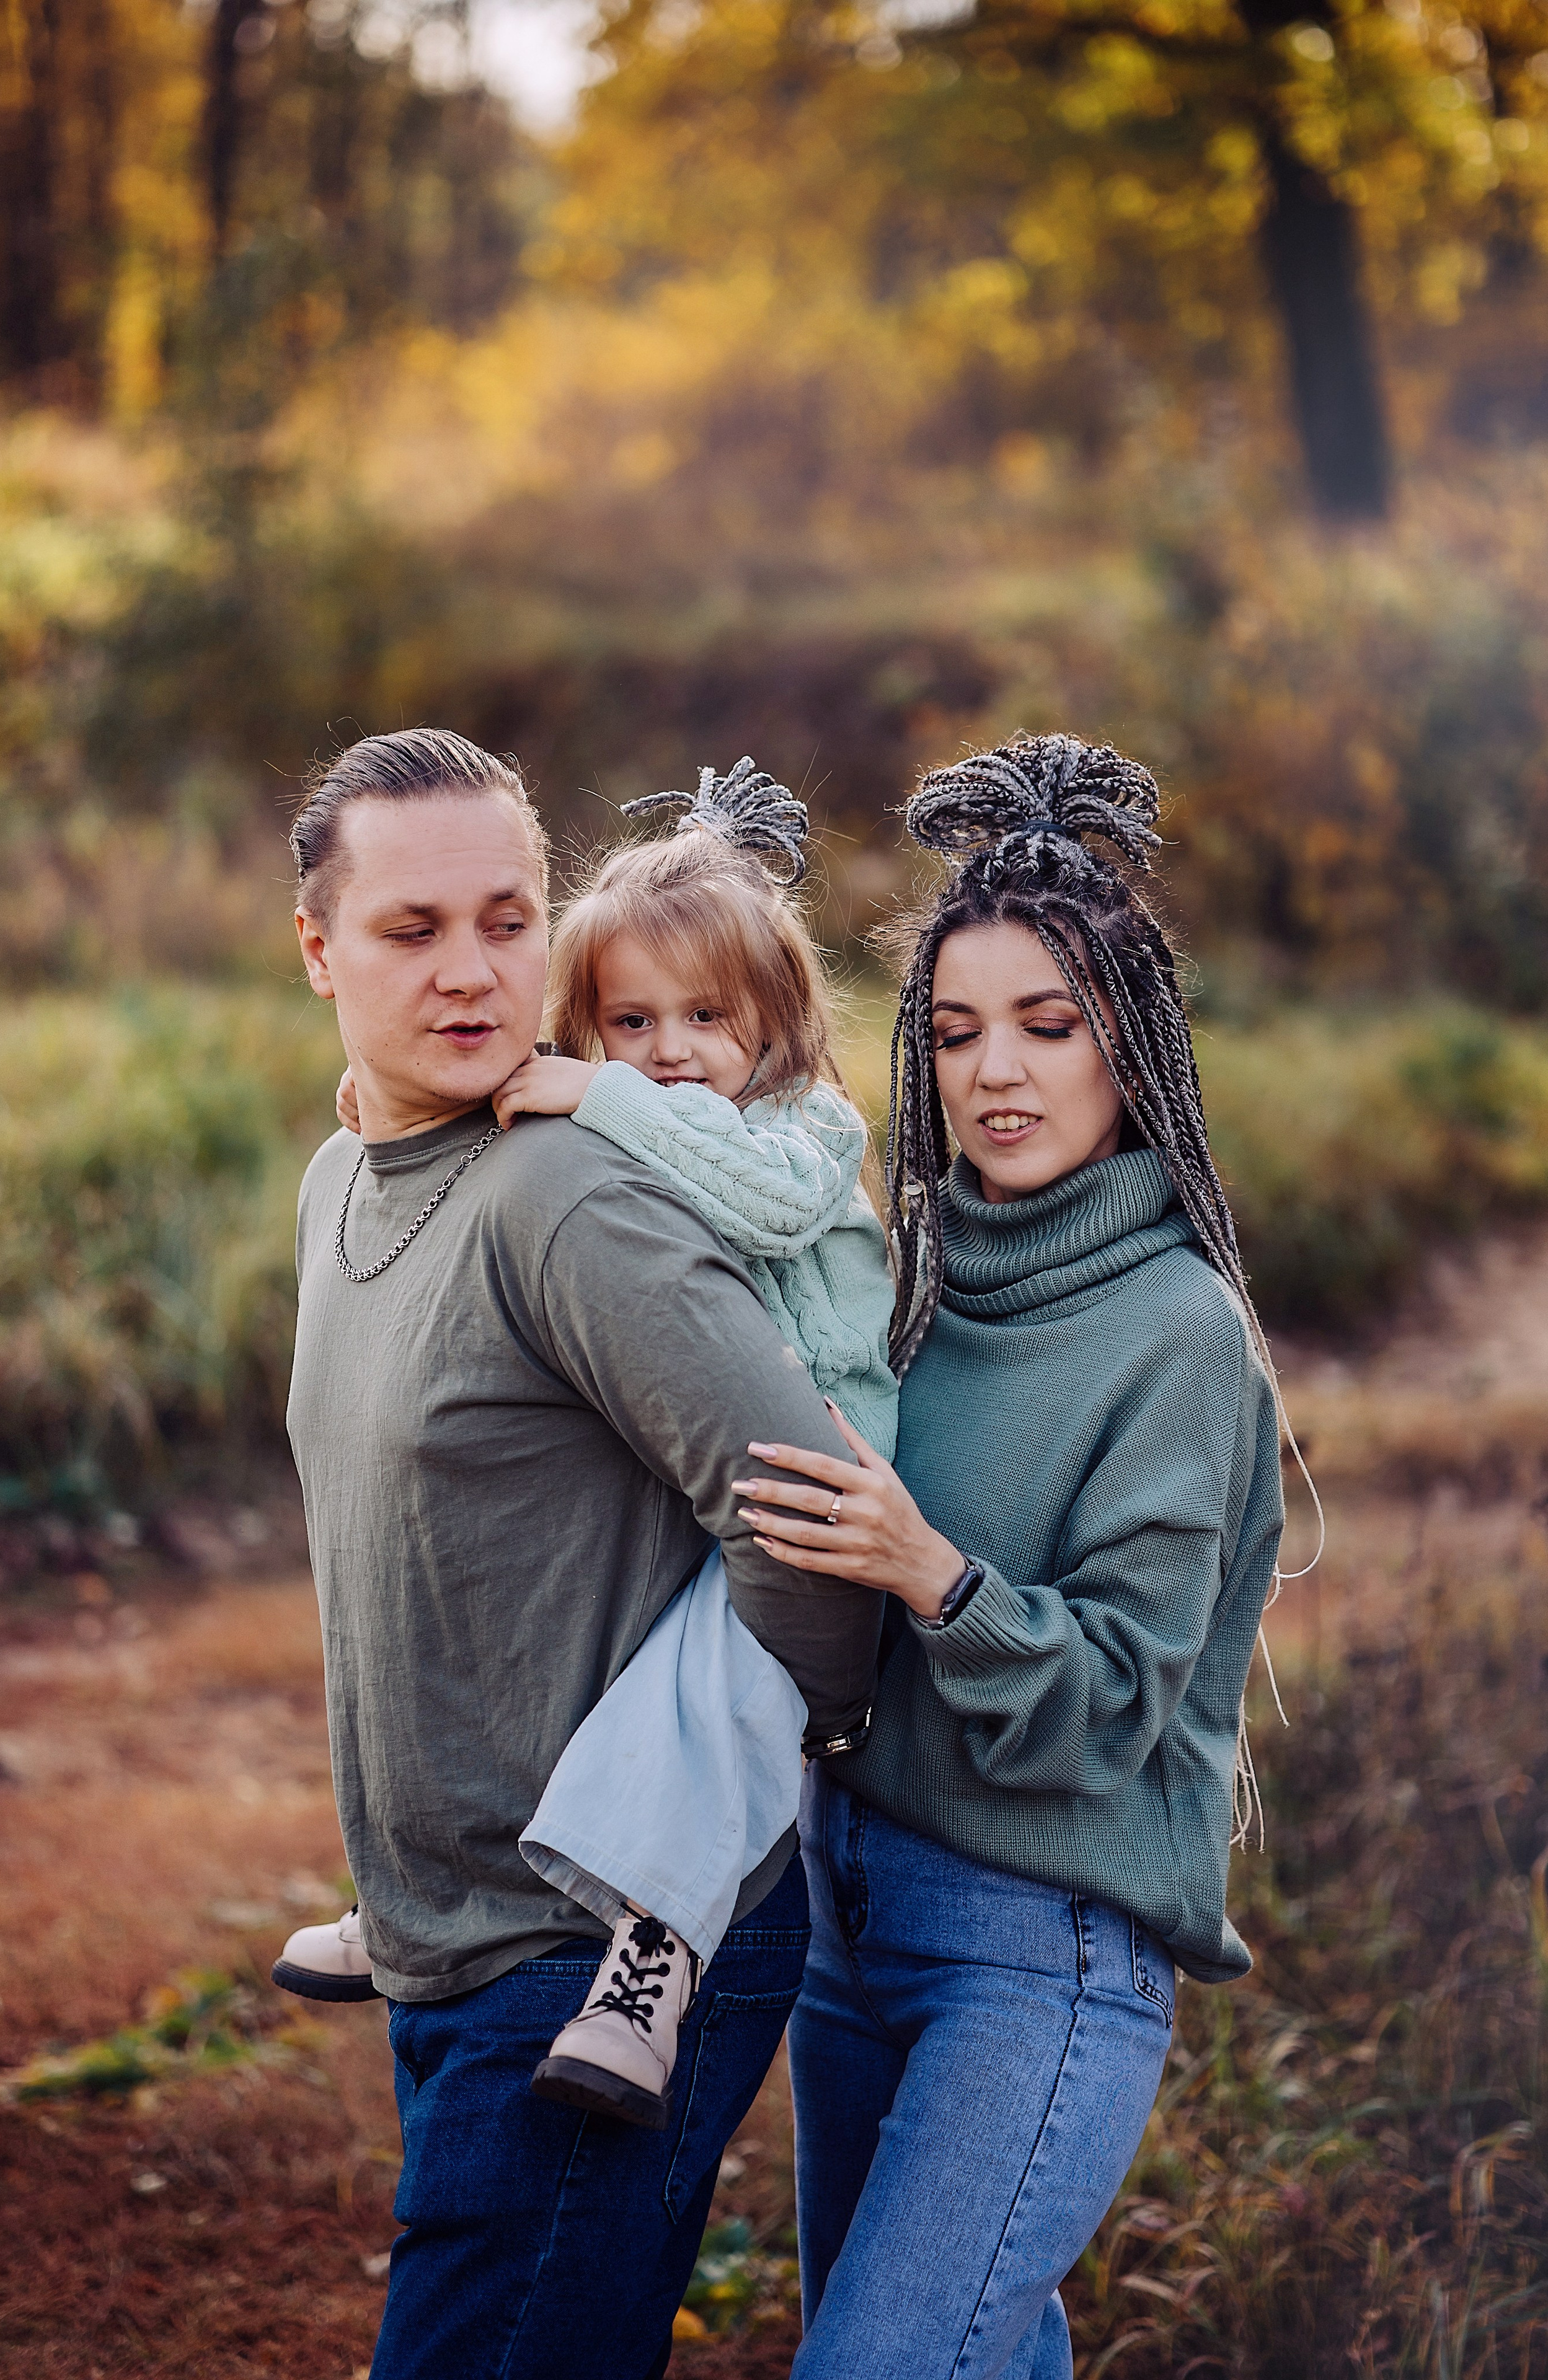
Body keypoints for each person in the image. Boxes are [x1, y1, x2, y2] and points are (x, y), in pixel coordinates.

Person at [280, 726, 882, 2380]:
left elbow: (811, 1518)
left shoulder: (568, 1188)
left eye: (506, 917)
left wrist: (787, 1746)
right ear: (319, 950)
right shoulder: (343, 1182)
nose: (476, 973)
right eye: (415, 931)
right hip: (443, 1934)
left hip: (593, 1944)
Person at [730, 733, 1291, 2380]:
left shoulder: (1180, 1333)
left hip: (1037, 1944)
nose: (1000, 1074)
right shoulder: (903, 1281)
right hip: (850, 1913)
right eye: (958, 1032)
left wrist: (933, 1575)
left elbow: (1121, 1699)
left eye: (1050, 1027)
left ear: (1134, 1047)